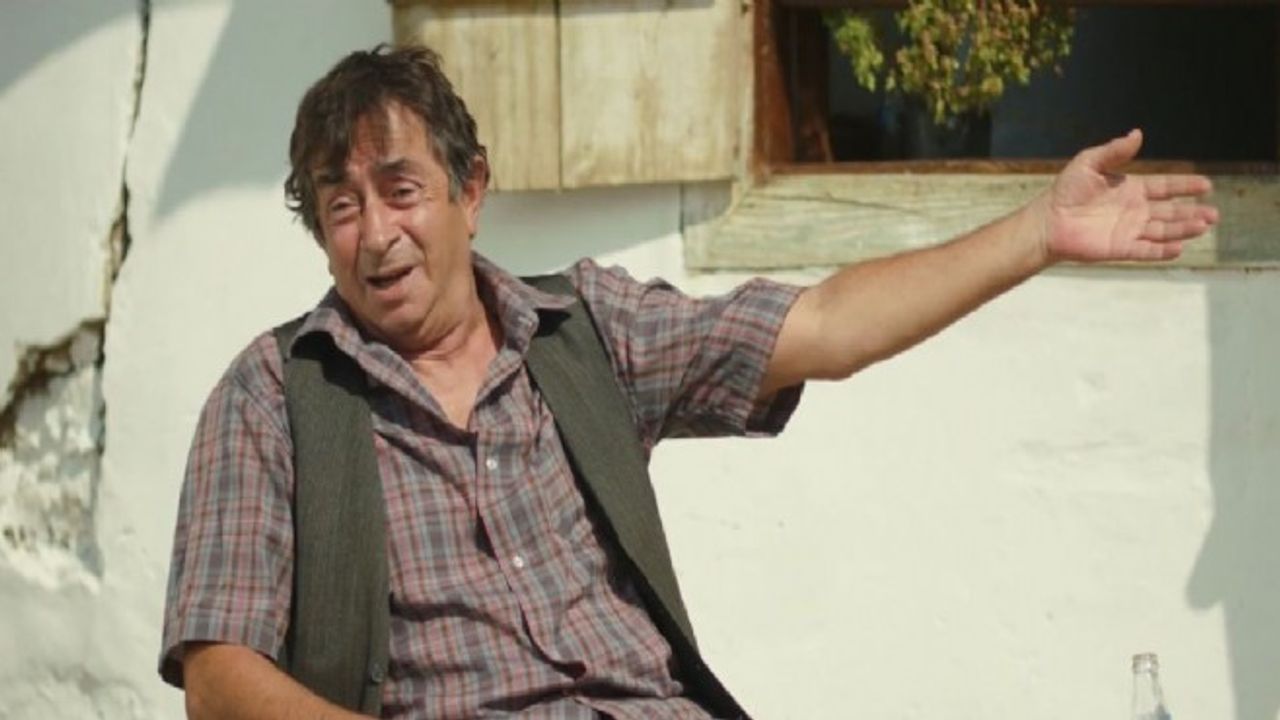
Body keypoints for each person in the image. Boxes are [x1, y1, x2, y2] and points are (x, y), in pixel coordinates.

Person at [159, 44, 1218, 719]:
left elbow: (828, 326)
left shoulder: (584, 331)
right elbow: (217, 676)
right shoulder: (273, 397)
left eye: (401, 190)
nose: (377, 233)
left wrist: (1036, 233)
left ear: (470, 191)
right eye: (341, 205)